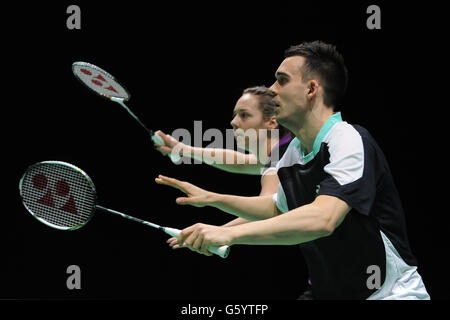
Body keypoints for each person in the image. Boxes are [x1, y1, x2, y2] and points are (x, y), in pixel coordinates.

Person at [156, 41, 429, 299]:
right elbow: (277, 209)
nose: (272, 89)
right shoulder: (292, 154)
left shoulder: (347, 139)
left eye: (282, 80)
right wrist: (214, 203)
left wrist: (227, 231)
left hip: (387, 292)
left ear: (311, 89)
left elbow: (323, 218)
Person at [154, 86, 293, 233]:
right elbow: (240, 162)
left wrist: (217, 231)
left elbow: (266, 212)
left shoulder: (279, 160)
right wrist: (183, 149)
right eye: (235, 115)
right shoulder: (282, 150)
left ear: (272, 122)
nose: (233, 122)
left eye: (244, 115)